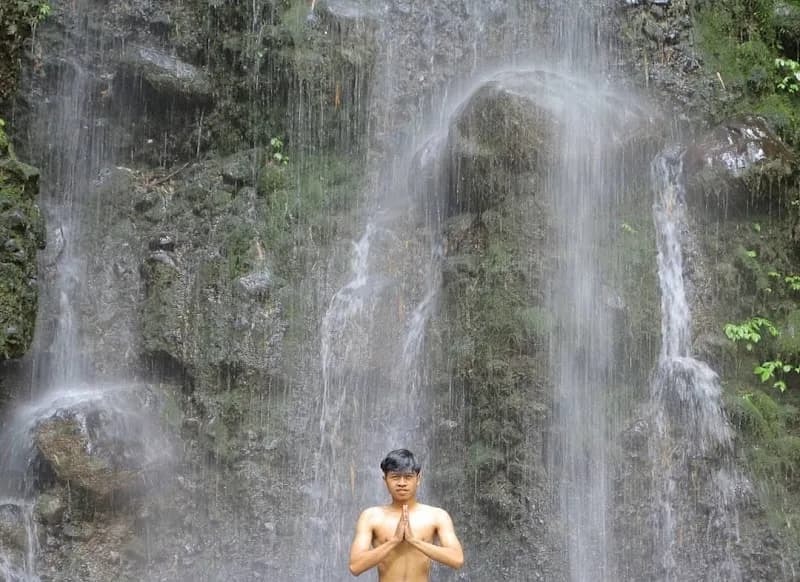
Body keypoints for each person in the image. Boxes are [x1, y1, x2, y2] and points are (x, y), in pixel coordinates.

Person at [349, 449, 464, 580]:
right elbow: (355, 566)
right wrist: (394, 541)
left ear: (418, 479)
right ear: (385, 480)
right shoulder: (370, 517)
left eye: (408, 477)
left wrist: (414, 541)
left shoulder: (437, 516)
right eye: (395, 477)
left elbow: (457, 559)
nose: (402, 483)